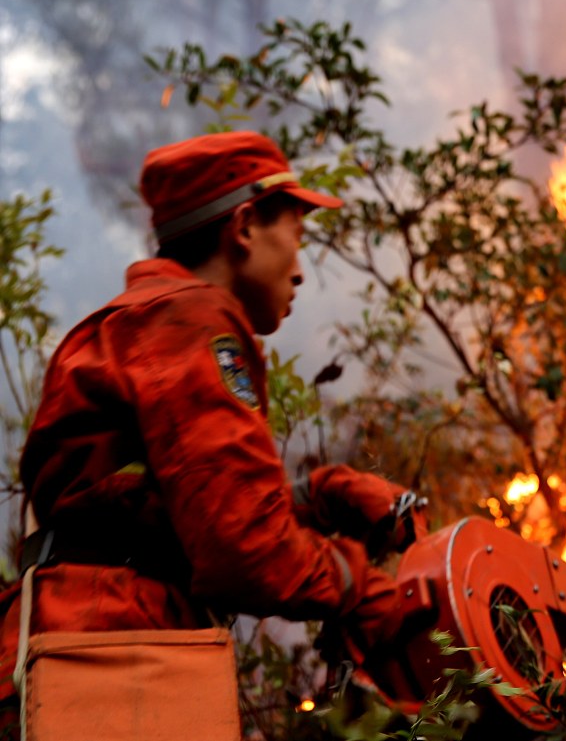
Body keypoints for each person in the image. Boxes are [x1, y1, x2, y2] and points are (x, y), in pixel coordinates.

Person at [0, 131, 414, 729]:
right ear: (244, 226)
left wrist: (314, 500)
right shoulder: (193, 319)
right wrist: (361, 583)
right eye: (296, 238)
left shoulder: (141, 320)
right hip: (111, 655)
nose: (300, 271)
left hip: (77, 641)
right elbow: (245, 554)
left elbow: (171, 509)